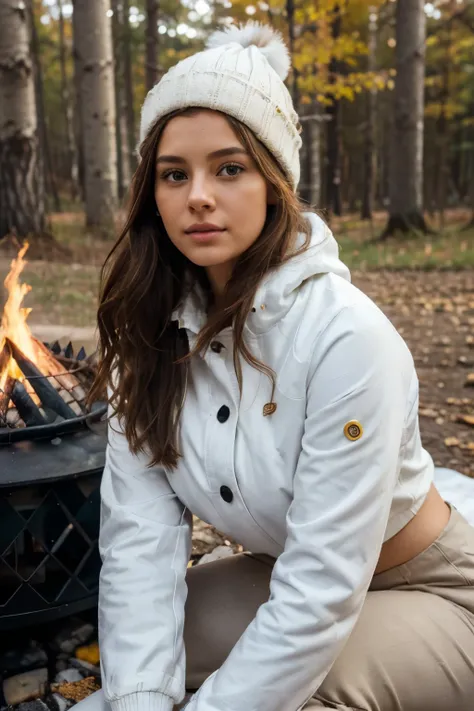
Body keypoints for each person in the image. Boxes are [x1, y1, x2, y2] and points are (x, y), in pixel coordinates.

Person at [78, 22, 474, 711]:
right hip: (285, 572)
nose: (198, 194)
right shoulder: (147, 338)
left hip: (434, 587)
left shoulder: (347, 337)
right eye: (175, 174)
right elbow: (139, 547)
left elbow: (320, 588)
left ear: (273, 182)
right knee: (142, 658)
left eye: (229, 168)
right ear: (152, 192)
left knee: (306, 694)